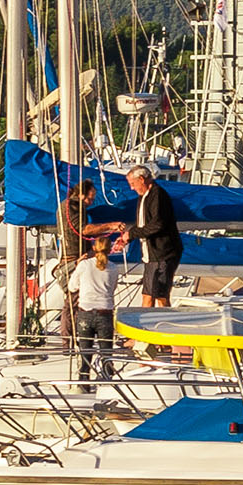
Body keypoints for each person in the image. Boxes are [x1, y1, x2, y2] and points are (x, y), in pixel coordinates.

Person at [130, 160, 183, 312]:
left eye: (133, 183)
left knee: (161, 296)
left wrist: (132, 234)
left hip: (162, 254)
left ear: (142, 179)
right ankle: (143, 330)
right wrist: (128, 235)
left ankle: (163, 328)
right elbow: (143, 224)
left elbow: (157, 224)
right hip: (151, 255)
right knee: (148, 296)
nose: (131, 188)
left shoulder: (158, 195)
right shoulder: (144, 196)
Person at [71, 229, 119, 388]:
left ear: (94, 247)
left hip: (85, 313)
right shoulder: (113, 268)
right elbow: (112, 289)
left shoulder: (84, 265)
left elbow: (72, 287)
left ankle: (83, 383)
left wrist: (78, 266)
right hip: (104, 312)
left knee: (85, 351)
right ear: (109, 249)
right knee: (106, 353)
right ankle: (107, 384)